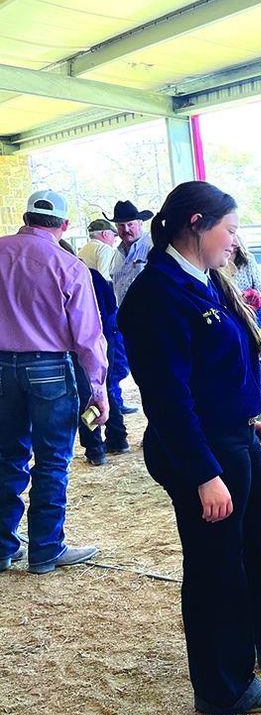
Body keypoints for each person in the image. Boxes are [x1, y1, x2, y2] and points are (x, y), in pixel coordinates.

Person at [118, 181, 261, 715]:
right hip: (199, 446)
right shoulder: (157, 293)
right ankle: (223, 685)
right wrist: (204, 471)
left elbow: (214, 370)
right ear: (197, 223)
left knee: (259, 538)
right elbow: (167, 396)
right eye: (229, 229)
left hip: (231, 434)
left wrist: (243, 419)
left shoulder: (200, 280)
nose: (235, 240)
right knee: (215, 564)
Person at [0, 189, 106, 575]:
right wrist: (98, 389)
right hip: (49, 369)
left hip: (0, 368)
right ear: (63, 226)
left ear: (25, 218)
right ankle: (45, 550)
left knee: (5, 457)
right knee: (51, 461)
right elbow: (88, 337)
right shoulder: (69, 265)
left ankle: (1, 546)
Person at [74, 264, 129, 465]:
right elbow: (111, 305)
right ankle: (118, 437)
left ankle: (95, 449)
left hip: (79, 343)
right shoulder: (94, 274)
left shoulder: (67, 271)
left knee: (85, 394)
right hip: (105, 339)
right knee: (105, 388)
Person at [108, 200, 154, 415]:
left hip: (151, 321)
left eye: (130, 224)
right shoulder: (116, 254)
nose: (125, 229)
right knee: (141, 375)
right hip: (127, 323)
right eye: (121, 225)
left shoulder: (153, 247)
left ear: (140, 223)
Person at [225, 234, 261, 327]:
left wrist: (246, 294)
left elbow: (259, 287)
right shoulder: (216, 263)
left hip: (252, 309)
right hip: (230, 312)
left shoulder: (248, 260)